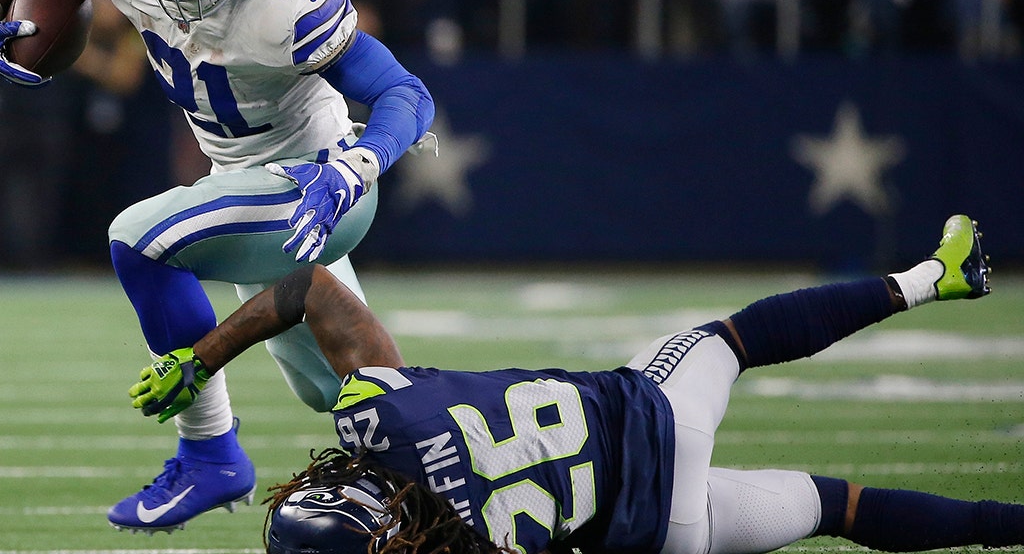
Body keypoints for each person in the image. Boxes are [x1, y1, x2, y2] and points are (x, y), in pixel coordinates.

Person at [0, 0, 435, 534]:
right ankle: (444, 486)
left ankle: (210, 454)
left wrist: (355, 168)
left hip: (317, 183)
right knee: (344, 391)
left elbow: (405, 92)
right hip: (240, 181)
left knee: (137, 239)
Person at [129, 215, 1022, 554]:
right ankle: (931, 278)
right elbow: (311, 286)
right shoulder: (377, 409)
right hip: (649, 416)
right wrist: (203, 357)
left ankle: (1005, 529)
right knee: (733, 338)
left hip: (662, 532)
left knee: (839, 508)